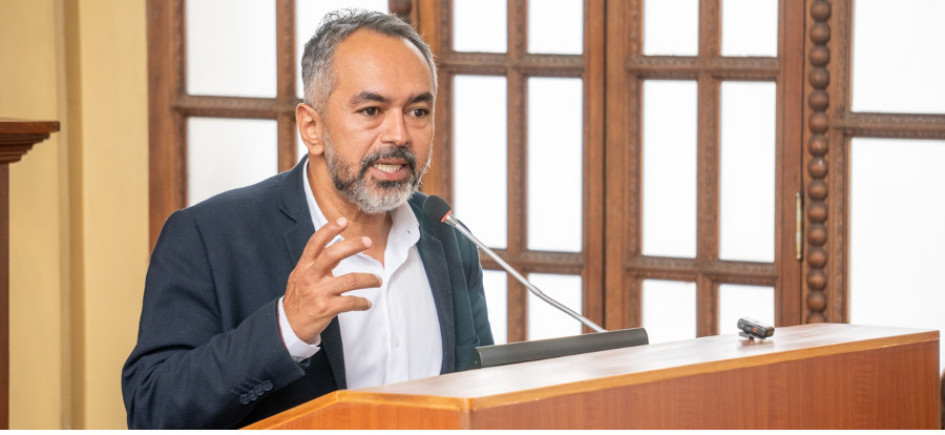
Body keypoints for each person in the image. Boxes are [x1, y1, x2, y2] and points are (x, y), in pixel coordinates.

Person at [121, 9, 493, 429]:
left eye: (418, 111)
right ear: (312, 127)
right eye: (371, 110)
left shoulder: (448, 237)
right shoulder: (208, 237)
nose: (399, 135)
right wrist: (286, 328)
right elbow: (152, 409)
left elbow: (484, 393)